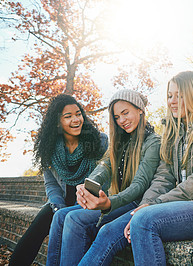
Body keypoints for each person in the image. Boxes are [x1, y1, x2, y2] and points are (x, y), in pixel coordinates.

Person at [68, 70, 193, 266]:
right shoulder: (173, 132)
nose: (172, 101)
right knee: (108, 230)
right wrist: (143, 206)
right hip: (184, 204)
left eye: (179, 95)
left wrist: (154, 205)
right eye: (169, 95)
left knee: (145, 221)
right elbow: (162, 179)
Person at [46, 89, 161, 266]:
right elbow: (104, 166)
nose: (121, 120)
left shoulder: (152, 142)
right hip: (119, 201)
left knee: (75, 218)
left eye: (125, 113)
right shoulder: (120, 141)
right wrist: (87, 186)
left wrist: (109, 203)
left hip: (135, 203)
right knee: (60, 215)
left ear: (140, 109)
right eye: (116, 117)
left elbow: (140, 184)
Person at [9, 94, 108, 266]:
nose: (76, 119)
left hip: (88, 201)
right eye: (68, 116)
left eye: (78, 114)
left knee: (69, 224)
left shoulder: (99, 141)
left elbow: (106, 177)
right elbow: (51, 184)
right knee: (34, 232)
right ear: (57, 122)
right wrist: (56, 206)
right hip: (61, 200)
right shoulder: (48, 149)